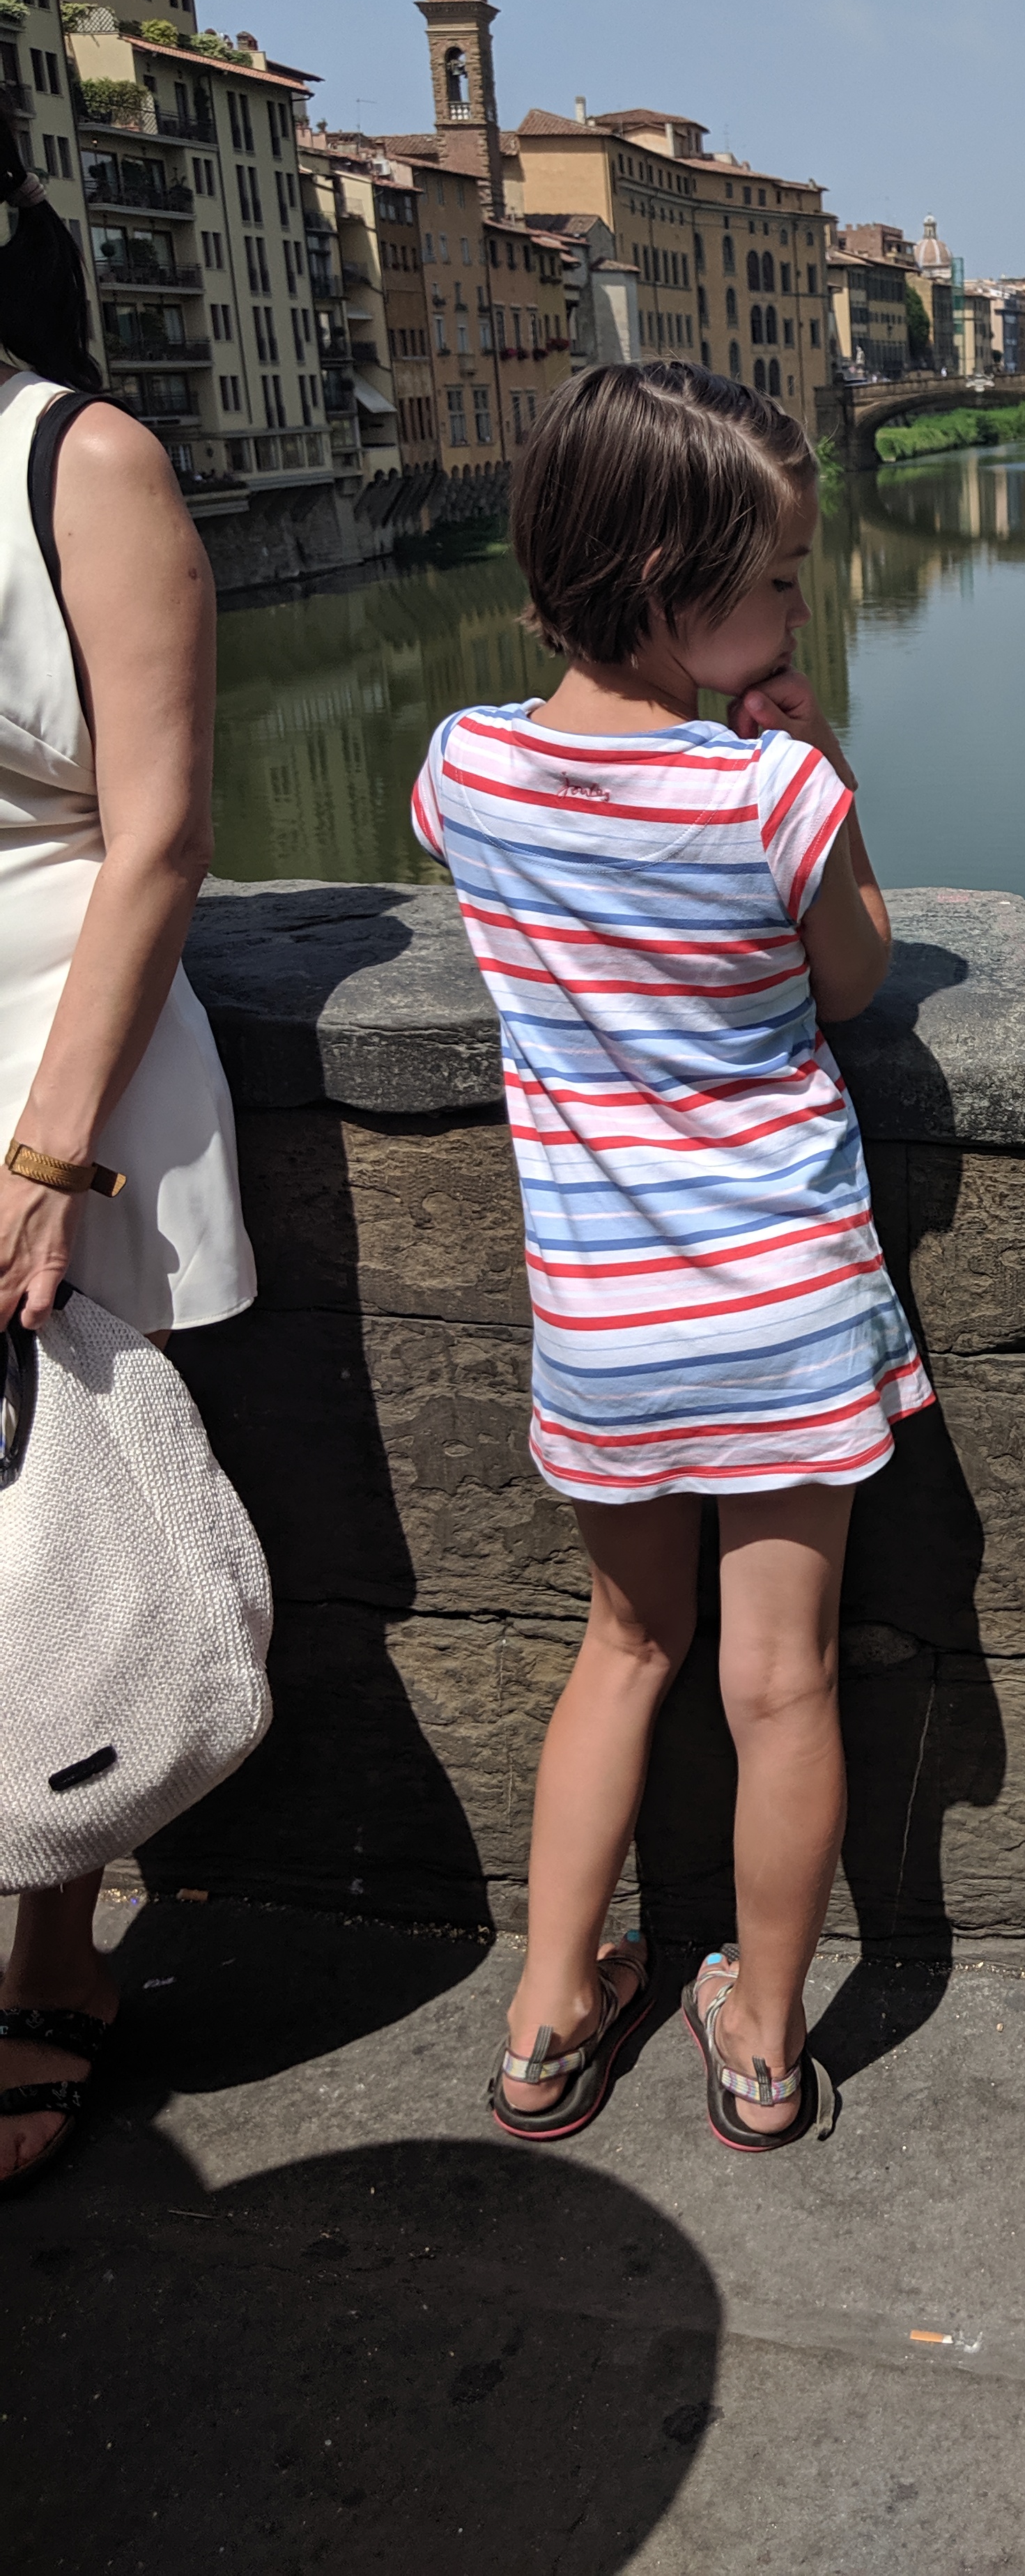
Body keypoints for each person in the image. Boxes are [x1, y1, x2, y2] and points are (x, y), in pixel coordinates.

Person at [410, 363, 930, 2152]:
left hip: (607, 1326)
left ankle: (548, 2018)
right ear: (667, 580)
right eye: (779, 581)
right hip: (786, 1309)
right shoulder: (769, 794)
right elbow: (856, 976)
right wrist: (815, 759)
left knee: (624, 1647)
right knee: (780, 1684)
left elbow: (504, 842)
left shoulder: (463, 767)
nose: (801, 611)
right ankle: (765, 2046)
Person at [0, 130, 255, 2193]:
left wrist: (49, 1151)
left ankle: (50, 1953)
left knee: (51, 1526)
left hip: (50, 1054)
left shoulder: (81, 464)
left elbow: (160, 832)